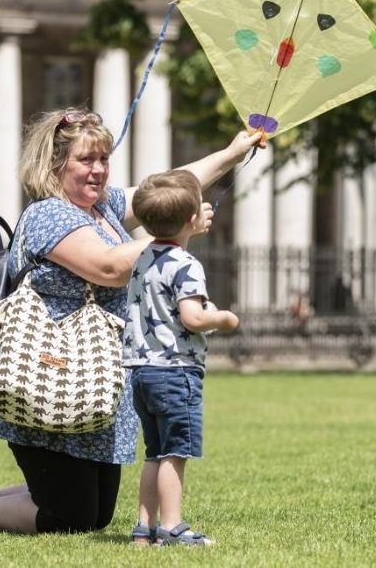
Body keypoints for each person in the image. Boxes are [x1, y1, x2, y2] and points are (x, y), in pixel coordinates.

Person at [0, 107, 261, 534]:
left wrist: (232, 153)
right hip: (50, 373)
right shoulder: (49, 214)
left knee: (94, 514)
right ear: (55, 163)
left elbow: (166, 190)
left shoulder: (101, 207)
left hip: (92, 378)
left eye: (104, 159)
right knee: (71, 517)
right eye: (87, 159)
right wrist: (176, 235)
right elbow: (107, 268)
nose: (98, 170)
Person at [122, 170, 239, 546]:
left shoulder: (141, 258)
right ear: (193, 220)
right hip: (176, 372)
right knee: (176, 453)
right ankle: (172, 527)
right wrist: (221, 318)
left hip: (141, 372)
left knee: (154, 453)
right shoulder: (186, 265)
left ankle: (144, 527)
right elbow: (192, 318)